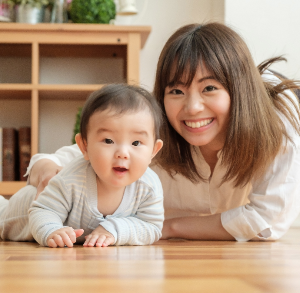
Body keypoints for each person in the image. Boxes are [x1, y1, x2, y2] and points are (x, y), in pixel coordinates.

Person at [26, 22, 300, 242]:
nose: (192, 108)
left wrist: (167, 227)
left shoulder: (276, 118)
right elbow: (96, 151)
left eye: (209, 88)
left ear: (238, 89)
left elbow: (267, 220)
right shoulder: (157, 125)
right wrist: (47, 165)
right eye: (177, 91)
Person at [0, 84, 164, 247]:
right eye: (108, 140)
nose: (123, 153)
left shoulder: (149, 186)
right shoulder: (72, 179)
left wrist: (114, 230)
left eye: (136, 142)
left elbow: (152, 226)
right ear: (84, 146)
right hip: (22, 212)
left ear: (153, 151)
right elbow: (43, 210)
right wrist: (52, 230)